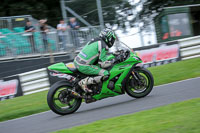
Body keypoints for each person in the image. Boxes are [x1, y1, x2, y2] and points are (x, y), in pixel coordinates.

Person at [73, 28, 116, 93]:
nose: (112, 41)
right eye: (112, 39)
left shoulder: (95, 40)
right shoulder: (103, 45)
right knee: (105, 74)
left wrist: (112, 55)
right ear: (108, 38)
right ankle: (84, 82)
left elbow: (99, 58)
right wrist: (114, 60)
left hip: (77, 62)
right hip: (84, 66)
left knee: (97, 68)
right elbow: (103, 64)